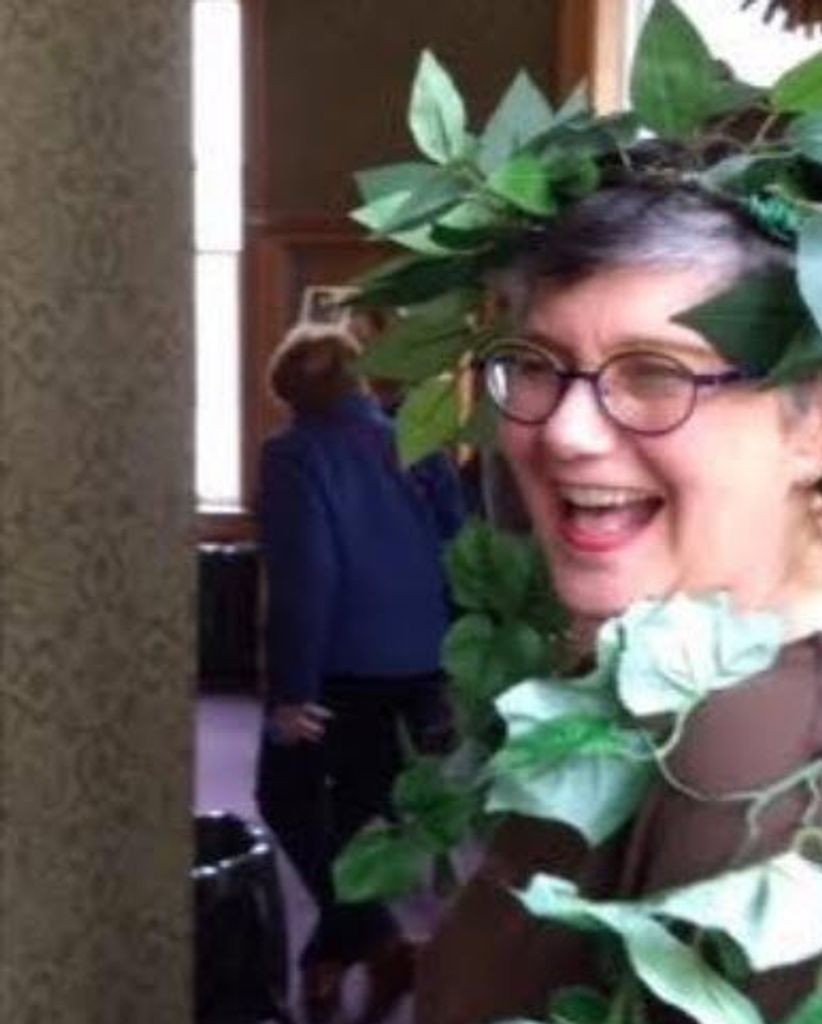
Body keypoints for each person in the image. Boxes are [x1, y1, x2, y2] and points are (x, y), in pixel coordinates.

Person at [414, 182, 822, 1023]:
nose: (565, 432)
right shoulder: (643, 697)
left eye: (657, 374)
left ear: (811, 425)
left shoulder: (748, 770)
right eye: (536, 365)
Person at [253, 325, 464, 1024]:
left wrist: (292, 693)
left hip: (339, 667)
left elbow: (305, 578)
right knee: (358, 817)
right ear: (362, 378)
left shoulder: (294, 454)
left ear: (289, 395)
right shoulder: (417, 443)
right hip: (422, 660)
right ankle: (340, 953)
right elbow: (459, 549)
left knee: (285, 798)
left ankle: (376, 940)